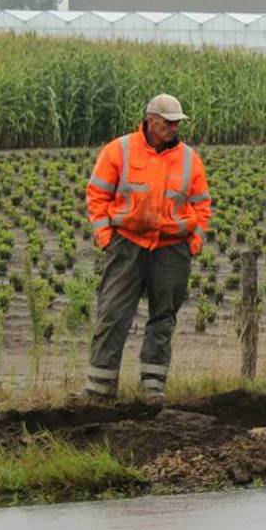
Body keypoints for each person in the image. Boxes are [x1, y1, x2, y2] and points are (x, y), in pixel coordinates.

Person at [85, 94, 211, 401]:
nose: (173, 129)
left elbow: (201, 205)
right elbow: (97, 195)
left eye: (177, 124)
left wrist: (194, 242)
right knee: (113, 313)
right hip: (127, 245)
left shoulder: (188, 158)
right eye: (168, 123)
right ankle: (100, 389)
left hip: (172, 249)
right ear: (150, 120)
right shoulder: (120, 150)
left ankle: (153, 386)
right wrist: (106, 238)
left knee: (163, 317)